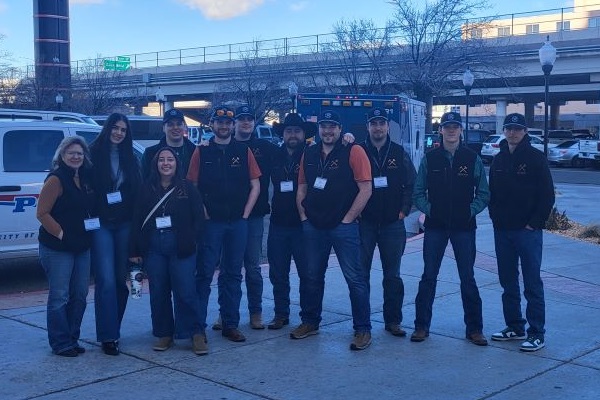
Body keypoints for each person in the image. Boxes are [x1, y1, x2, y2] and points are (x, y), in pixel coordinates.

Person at [294, 110, 373, 351]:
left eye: (332, 127)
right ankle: (310, 322)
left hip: (343, 227)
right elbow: (302, 188)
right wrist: (304, 217)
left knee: (355, 278)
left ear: (340, 129)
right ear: (319, 129)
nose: (327, 131)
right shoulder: (308, 153)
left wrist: (348, 219)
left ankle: (362, 329)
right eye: (324, 127)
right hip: (314, 227)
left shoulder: (353, 151)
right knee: (311, 277)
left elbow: (366, 188)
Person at [411, 111, 490, 346]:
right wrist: (430, 210)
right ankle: (421, 326)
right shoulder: (430, 158)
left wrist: (470, 210)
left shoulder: (471, 158)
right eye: (447, 126)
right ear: (441, 131)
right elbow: (418, 192)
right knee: (428, 277)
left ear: (461, 130)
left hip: (464, 228)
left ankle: (475, 329)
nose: (452, 130)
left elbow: (484, 193)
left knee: (468, 278)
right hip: (435, 227)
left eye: (455, 126)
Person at [187, 106, 261, 344]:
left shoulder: (243, 150)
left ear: (232, 126)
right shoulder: (201, 152)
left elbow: (256, 185)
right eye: (219, 122)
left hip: (237, 223)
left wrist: (246, 214)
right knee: (204, 273)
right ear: (212, 125)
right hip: (211, 224)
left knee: (232, 274)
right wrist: (204, 213)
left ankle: (230, 324)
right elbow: (192, 187)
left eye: (227, 123)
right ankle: (197, 327)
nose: (223, 126)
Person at [129, 147, 206, 355]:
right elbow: (137, 220)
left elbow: (199, 218)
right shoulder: (146, 188)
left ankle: (196, 333)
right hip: (154, 246)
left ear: (176, 163)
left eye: (170, 159)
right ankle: (164, 333)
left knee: (186, 291)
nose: (166, 163)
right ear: (155, 164)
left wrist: (191, 239)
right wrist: (134, 249)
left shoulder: (187, 188)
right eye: (161, 159)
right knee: (159, 292)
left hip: (181, 245)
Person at [489, 113, 555, 352]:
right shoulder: (498, 160)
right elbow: (492, 194)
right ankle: (515, 326)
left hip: (527, 232)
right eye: (509, 128)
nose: (512, 133)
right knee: (508, 282)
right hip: (503, 231)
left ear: (525, 131)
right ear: (504, 131)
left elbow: (547, 195)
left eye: (517, 129)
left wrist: (534, 223)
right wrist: (496, 219)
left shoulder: (536, 158)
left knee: (531, 283)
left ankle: (536, 333)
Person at [212, 105, 278, 330]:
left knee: (252, 267)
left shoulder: (265, 148)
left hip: (254, 217)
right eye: (241, 120)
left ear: (254, 123)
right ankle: (225, 313)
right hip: (226, 217)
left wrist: (347, 140)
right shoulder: (221, 147)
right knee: (228, 268)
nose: (246, 123)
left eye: (250, 119)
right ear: (234, 124)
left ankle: (255, 312)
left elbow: (294, 152)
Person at [359, 107, 417, 338]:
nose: (378, 127)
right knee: (361, 275)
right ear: (368, 127)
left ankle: (393, 320)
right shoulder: (359, 151)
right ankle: (362, 323)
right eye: (374, 123)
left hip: (393, 224)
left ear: (387, 126)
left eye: (382, 123)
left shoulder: (398, 152)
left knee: (392, 275)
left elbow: (411, 184)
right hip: (365, 224)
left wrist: (404, 211)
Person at [37, 136, 96, 357]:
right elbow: (41, 213)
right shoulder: (56, 179)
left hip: (82, 247)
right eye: (71, 153)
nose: (75, 157)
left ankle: (72, 338)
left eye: (79, 153)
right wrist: (61, 234)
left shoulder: (84, 179)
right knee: (59, 296)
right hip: (57, 248)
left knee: (79, 295)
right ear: (61, 155)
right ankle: (60, 342)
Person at [89, 113, 142, 356]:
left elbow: (138, 191)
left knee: (122, 280)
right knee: (106, 280)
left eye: (123, 129)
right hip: (101, 224)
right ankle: (108, 337)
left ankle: (113, 329)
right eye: (115, 128)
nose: (119, 132)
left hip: (124, 224)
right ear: (107, 128)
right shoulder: (92, 153)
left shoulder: (130, 157)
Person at [266, 113, 316, 330]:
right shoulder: (273, 154)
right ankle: (281, 314)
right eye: (288, 131)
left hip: (304, 225)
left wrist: (349, 137)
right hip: (278, 223)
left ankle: (308, 318)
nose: (292, 135)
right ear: (283, 134)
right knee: (278, 273)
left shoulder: (314, 154)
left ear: (304, 134)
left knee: (307, 274)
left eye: (297, 130)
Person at [141, 108, 196, 179]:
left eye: (179, 124)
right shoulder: (150, 153)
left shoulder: (195, 152)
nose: (175, 127)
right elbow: (142, 181)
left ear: (184, 126)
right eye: (170, 124)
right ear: (163, 128)